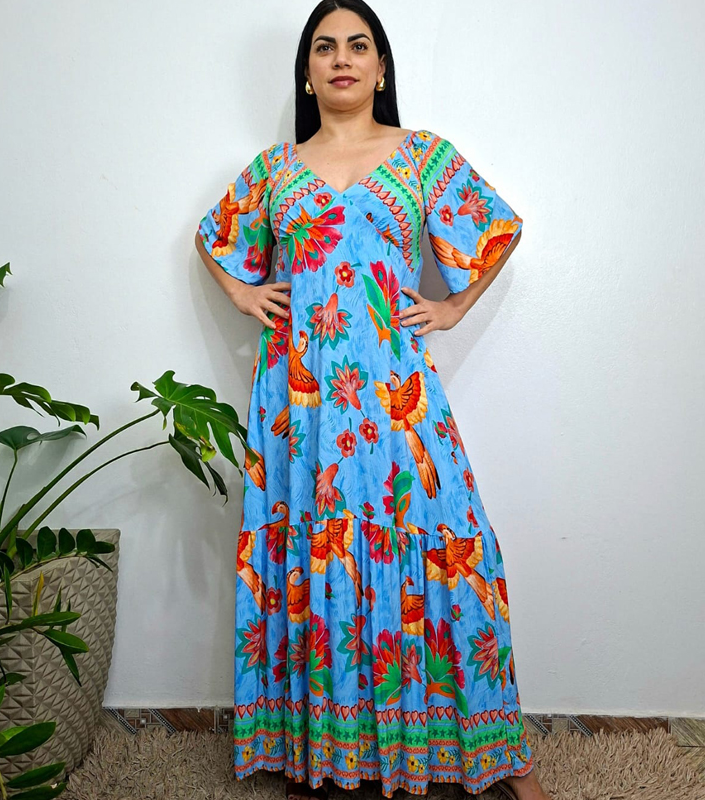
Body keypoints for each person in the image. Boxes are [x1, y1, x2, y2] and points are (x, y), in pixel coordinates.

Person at [195, 3, 552, 799]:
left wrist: (453, 307)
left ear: (381, 67)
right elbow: (212, 237)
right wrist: (243, 290)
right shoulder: (274, 170)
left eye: (358, 46)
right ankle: (326, 754)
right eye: (325, 48)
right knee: (314, 558)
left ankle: (502, 758)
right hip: (301, 407)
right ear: (308, 72)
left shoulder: (422, 156)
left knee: (456, 550)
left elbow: (497, 231)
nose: (342, 59)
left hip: (395, 398)